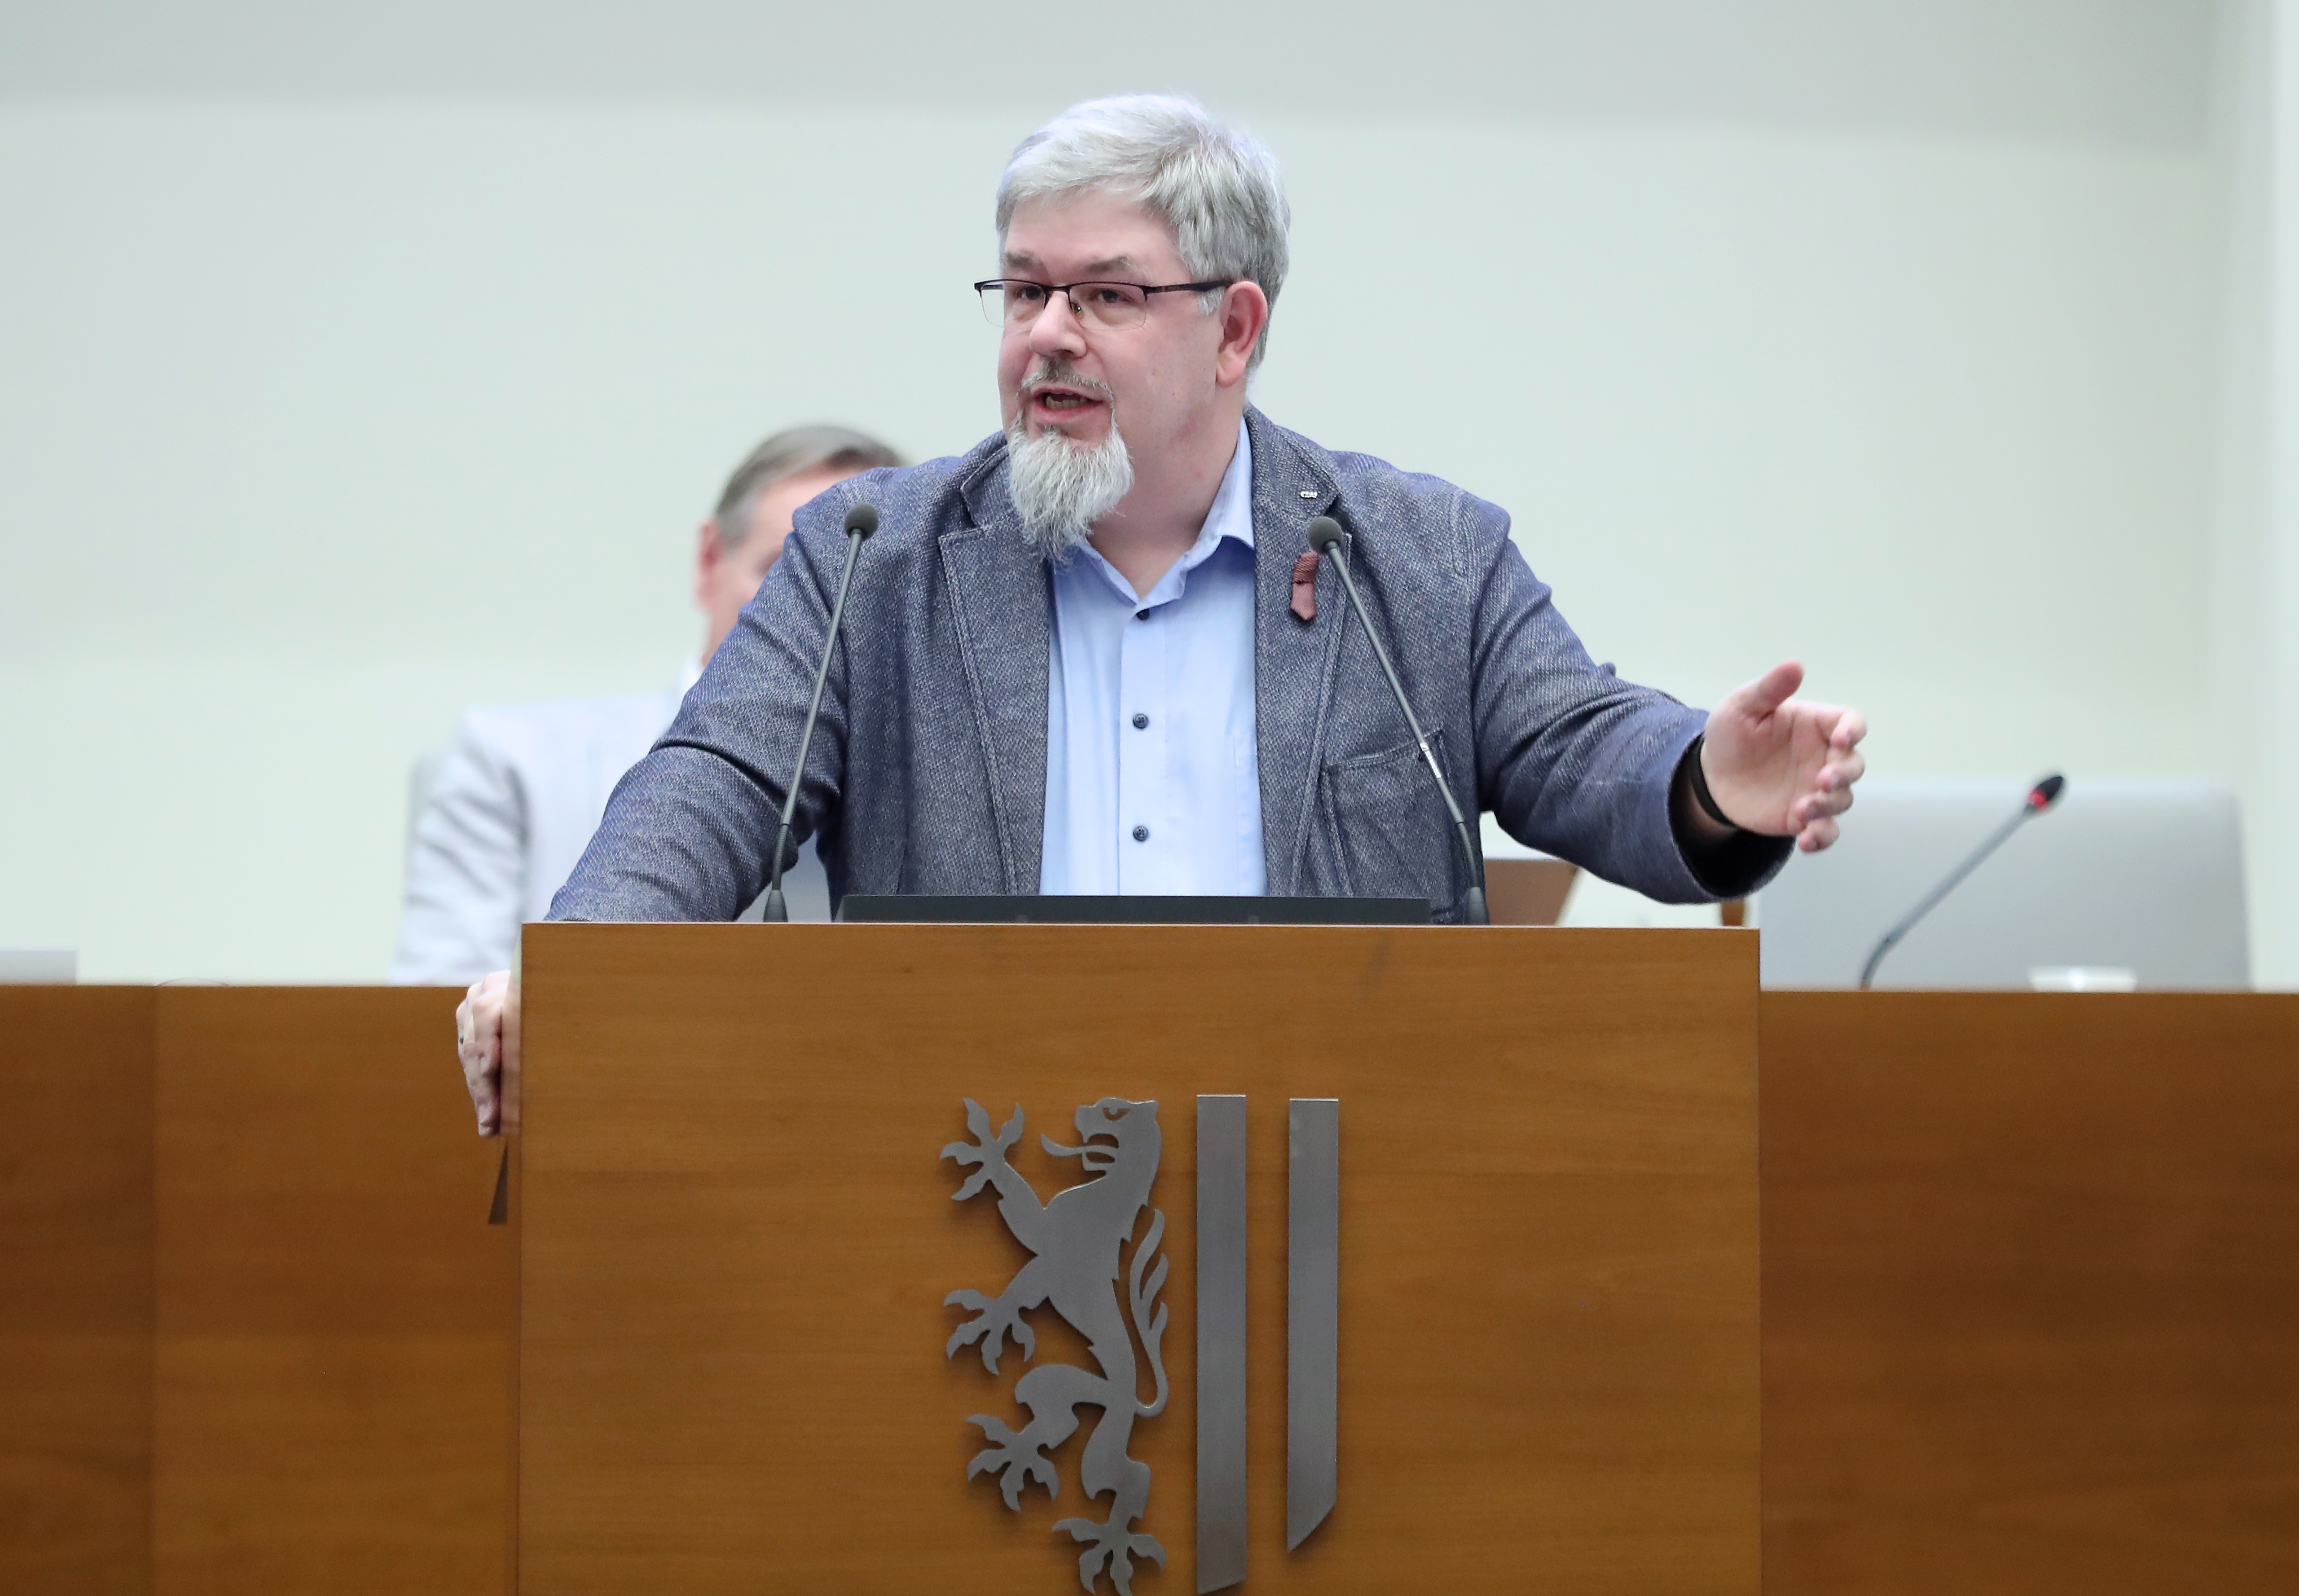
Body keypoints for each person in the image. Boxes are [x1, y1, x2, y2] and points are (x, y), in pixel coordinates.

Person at [454, 94, 1866, 1132]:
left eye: (1108, 295)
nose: (1047, 333)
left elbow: (1583, 750)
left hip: (1343, 1188)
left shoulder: (1418, 559)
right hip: (962, 1182)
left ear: (1236, 329)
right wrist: (581, 970)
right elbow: (714, 785)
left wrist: (1708, 784)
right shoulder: (873, 556)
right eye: (1023, 290)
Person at [391, 425, 902, 984]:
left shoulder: (934, 800)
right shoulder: (516, 767)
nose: (818, 613)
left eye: (860, 586)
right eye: (785, 574)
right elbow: (439, 1024)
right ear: (710, 561)